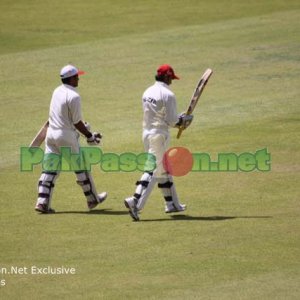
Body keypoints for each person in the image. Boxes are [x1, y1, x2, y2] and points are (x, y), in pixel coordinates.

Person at [35, 64, 107, 213]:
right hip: (65, 136)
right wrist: (89, 135)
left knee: (50, 170)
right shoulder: (74, 96)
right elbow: (77, 122)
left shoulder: (56, 91)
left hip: (51, 135)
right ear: (71, 78)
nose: (78, 78)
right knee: (81, 168)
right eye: (76, 76)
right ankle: (93, 199)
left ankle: (42, 202)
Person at [124, 64, 193, 221]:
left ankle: (172, 204)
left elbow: (162, 115)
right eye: (171, 78)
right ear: (167, 77)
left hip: (147, 134)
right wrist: (184, 121)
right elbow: (171, 120)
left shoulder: (147, 91)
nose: (172, 81)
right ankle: (135, 202)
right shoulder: (168, 94)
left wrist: (180, 120)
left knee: (163, 168)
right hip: (159, 136)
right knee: (154, 170)